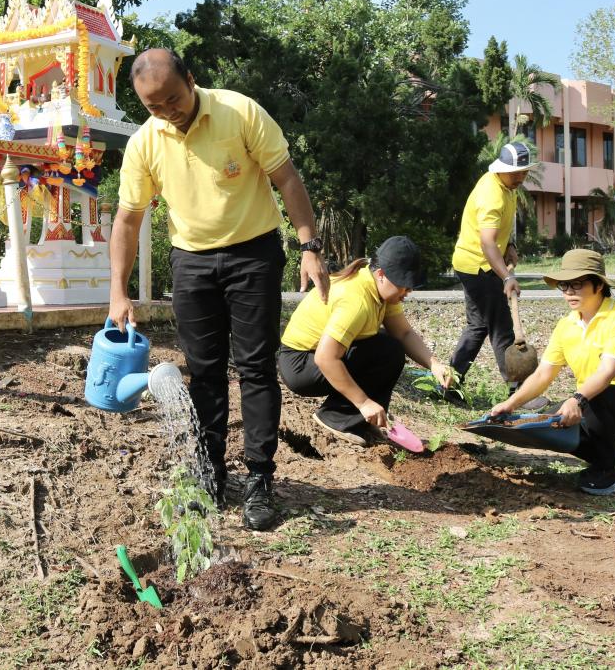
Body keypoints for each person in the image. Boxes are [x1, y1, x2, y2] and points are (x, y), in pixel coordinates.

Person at [109, 49, 328, 532]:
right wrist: (118, 293)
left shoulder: (239, 111)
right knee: (204, 373)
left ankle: (260, 479)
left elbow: (287, 178)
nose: (167, 111)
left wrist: (310, 245)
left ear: (191, 78)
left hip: (254, 254)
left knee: (254, 367)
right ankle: (210, 476)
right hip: (191, 263)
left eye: (172, 98)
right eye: (153, 106)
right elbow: (128, 219)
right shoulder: (145, 143)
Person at [491, 249, 615, 495]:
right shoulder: (566, 325)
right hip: (595, 403)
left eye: (577, 284)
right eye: (564, 285)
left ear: (598, 285)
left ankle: (610, 473)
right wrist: (510, 404)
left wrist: (577, 399)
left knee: (589, 399)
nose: (569, 292)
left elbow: (606, 373)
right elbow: (542, 375)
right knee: (551, 422)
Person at [278, 236, 445, 446]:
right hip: (301, 366)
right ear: (381, 274)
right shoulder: (356, 301)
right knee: (385, 351)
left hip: (314, 359)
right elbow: (326, 358)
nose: (408, 292)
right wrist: (364, 402)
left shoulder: (379, 289)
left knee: (390, 347)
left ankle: (361, 421)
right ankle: (337, 417)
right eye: (404, 285)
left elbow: (403, 334)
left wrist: (434, 364)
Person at [442, 141, 534, 403]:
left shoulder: (508, 185)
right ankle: (520, 392)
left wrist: (511, 245)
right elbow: (487, 242)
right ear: (501, 169)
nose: (520, 177)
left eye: (524, 172)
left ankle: (449, 385)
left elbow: (500, 232)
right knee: (501, 327)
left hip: (478, 262)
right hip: (477, 266)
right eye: (515, 172)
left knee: (478, 326)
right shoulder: (491, 194)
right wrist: (506, 276)